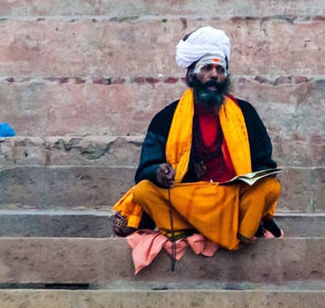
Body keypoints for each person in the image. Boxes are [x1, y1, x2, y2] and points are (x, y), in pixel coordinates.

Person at [111, 26, 281, 255]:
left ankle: (242, 235)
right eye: (207, 68)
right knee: (143, 190)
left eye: (220, 69)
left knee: (270, 187)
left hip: (231, 199)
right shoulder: (167, 118)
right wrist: (159, 173)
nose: (214, 75)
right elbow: (146, 168)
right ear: (191, 75)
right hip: (188, 199)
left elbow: (263, 162)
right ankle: (181, 229)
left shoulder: (245, 113)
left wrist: (260, 174)